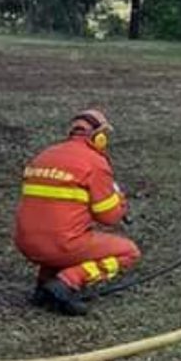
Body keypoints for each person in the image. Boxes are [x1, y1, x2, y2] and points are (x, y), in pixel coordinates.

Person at [13, 108, 138, 315]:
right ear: (98, 138)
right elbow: (108, 216)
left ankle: (44, 286)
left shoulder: (44, 155)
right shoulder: (94, 163)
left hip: (25, 243)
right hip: (61, 244)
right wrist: (120, 203)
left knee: (57, 234)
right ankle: (67, 283)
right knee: (128, 252)